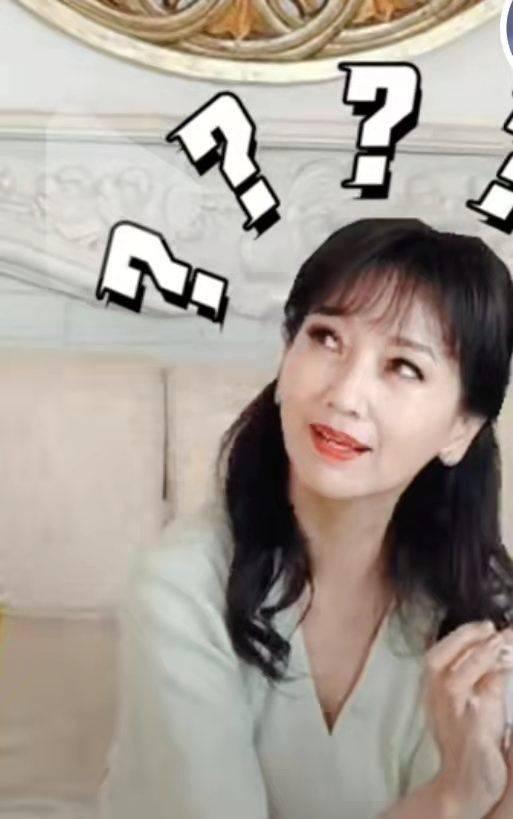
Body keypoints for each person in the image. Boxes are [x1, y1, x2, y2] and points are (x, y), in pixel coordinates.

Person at [98, 218, 513, 819]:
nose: (344, 393)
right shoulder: (180, 587)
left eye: (403, 366)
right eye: (326, 338)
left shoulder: (480, 608)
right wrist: (454, 796)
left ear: (460, 430)